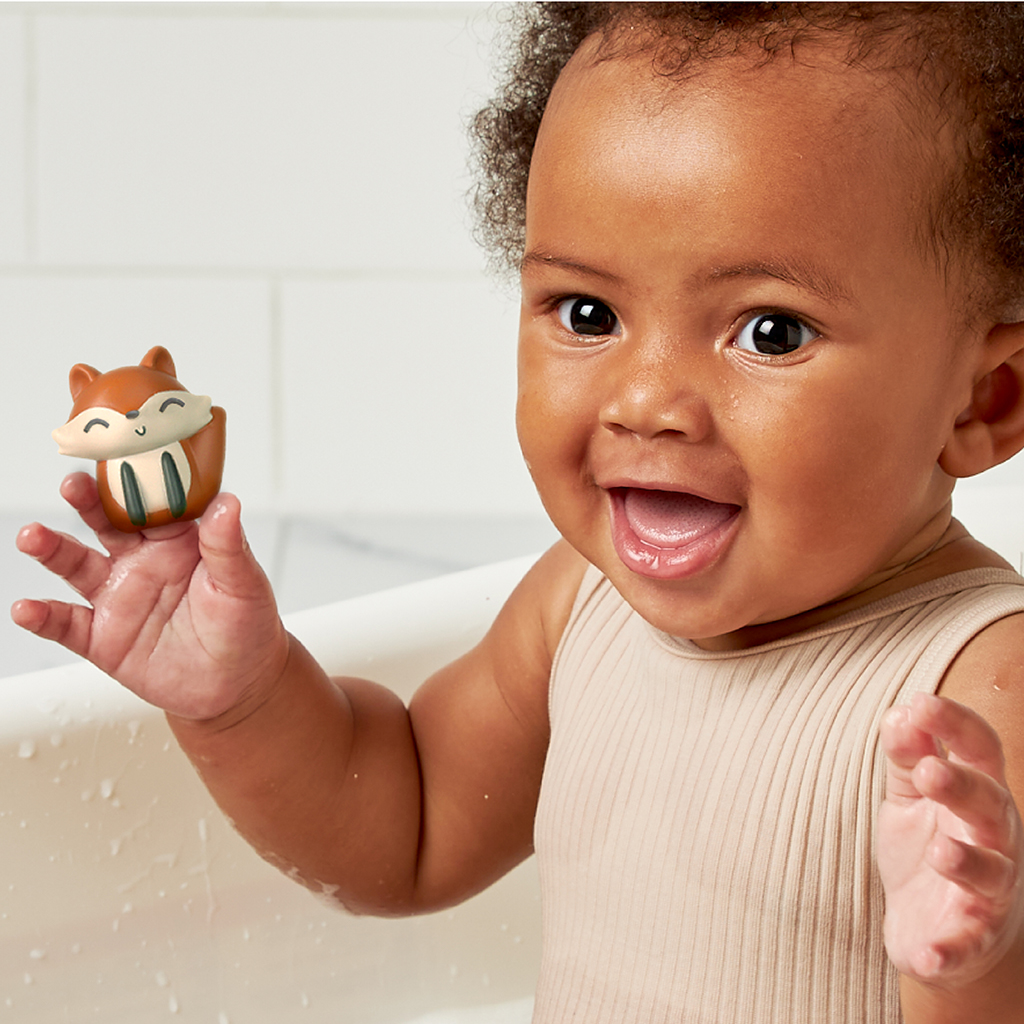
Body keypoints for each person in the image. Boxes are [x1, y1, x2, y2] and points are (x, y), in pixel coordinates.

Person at [12, 3, 1024, 1021]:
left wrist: (969, 961)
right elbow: (399, 831)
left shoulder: (976, 691)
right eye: (588, 314)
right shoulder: (579, 604)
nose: (646, 402)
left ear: (985, 401)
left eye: (770, 331)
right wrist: (240, 698)